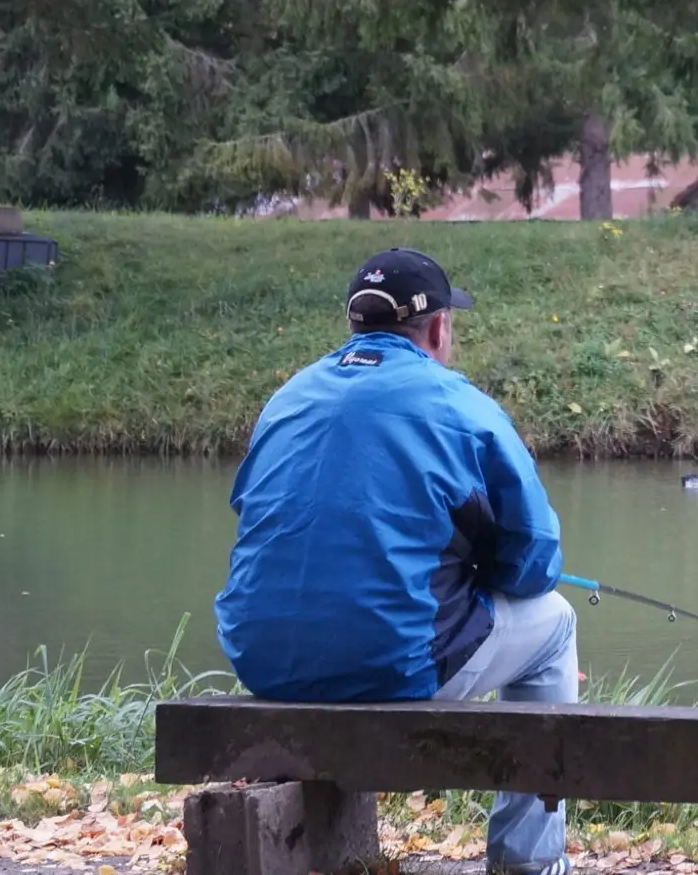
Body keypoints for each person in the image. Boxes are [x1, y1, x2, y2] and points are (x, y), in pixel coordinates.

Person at [214, 247, 577, 875]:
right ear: (438, 328)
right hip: (388, 667)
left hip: (263, 663)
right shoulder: (460, 407)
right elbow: (536, 562)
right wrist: (479, 567)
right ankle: (529, 865)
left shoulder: (288, 398)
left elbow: (257, 513)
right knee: (558, 620)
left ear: (356, 323)